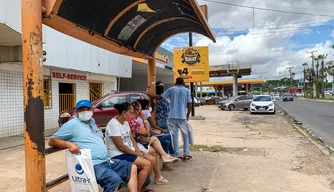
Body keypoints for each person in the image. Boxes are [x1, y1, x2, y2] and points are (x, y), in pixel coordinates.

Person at [48, 100, 138, 192]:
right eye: (82, 110)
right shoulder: (72, 124)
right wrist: (69, 144)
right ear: (76, 112)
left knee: (132, 168)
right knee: (113, 180)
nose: (85, 112)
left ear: (92, 110)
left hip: (106, 160)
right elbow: (52, 140)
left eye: (88, 109)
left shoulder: (92, 122)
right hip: (93, 164)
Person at [104, 102, 154, 192]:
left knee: (151, 159)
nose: (132, 115)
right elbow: (121, 147)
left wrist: (139, 152)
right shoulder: (113, 124)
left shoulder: (125, 122)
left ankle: (140, 186)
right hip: (118, 154)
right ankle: (138, 190)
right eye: (131, 113)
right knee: (146, 164)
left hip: (128, 152)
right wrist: (137, 154)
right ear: (124, 113)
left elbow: (131, 139)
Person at [147, 77, 193, 161]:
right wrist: (187, 115)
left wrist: (149, 95)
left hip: (172, 117)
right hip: (182, 117)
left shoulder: (171, 89)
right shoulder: (187, 91)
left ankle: (177, 154)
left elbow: (159, 97)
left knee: (174, 135)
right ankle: (186, 154)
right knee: (185, 136)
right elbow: (189, 104)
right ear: (183, 83)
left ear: (176, 82)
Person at [129, 101, 178, 171]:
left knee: (166, 142)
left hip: (140, 140)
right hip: (140, 142)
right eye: (140, 110)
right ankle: (169, 155)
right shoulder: (136, 119)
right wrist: (144, 118)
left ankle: (165, 159)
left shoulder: (133, 120)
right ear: (137, 111)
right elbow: (147, 132)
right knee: (166, 137)